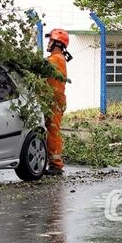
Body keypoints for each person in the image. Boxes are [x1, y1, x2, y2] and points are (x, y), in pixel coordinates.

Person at [44, 28, 72, 176]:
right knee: (50, 131)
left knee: (52, 131)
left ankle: (56, 165)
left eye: (50, 41)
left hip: (54, 100)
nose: (48, 43)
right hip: (53, 99)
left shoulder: (55, 59)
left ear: (57, 43)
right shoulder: (58, 59)